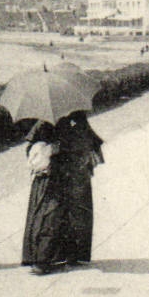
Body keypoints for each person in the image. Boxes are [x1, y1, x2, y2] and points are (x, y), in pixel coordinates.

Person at [56, 112, 104, 266]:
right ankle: (77, 254)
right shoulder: (82, 125)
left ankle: (68, 254)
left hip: (66, 176)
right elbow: (95, 145)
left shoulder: (60, 126)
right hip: (81, 176)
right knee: (80, 215)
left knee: (67, 215)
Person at [21, 121, 60, 272]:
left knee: (43, 216)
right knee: (47, 217)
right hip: (48, 181)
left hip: (46, 180)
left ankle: (41, 258)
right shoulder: (43, 127)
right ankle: (41, 259)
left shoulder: (37, 132)